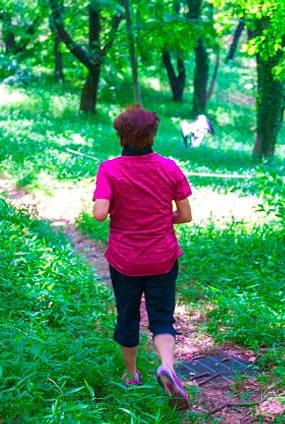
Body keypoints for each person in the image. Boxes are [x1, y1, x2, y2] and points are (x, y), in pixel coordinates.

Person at [92, 104, 193, 410]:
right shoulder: (169, 167)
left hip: (125, 260)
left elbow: (99, 214)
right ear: (153, 135)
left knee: (128, 315)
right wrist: (161, 217)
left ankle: (132, 374)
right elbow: (185, 215)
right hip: (162, 257)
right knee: (162, 317)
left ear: (120, 136)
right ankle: (167, 367)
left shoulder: (109, 169)